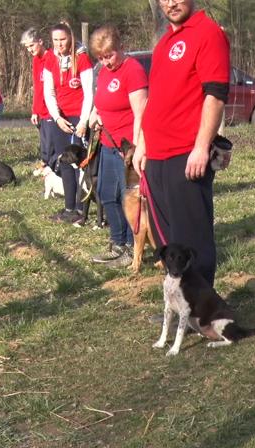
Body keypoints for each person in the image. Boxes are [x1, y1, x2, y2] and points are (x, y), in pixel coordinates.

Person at [132, 0, 230, 285]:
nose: (171, 3)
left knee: (192, 239)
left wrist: (201, 147)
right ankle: (181, 307)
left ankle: (203, 311)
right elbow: (156, 100)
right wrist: (143, 144)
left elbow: (215, 94)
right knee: (169, 242)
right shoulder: (164, 43)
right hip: (157, 157)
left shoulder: (208, 33)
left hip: (186, 155)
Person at [88, 25, 148, 267]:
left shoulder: (132, 70)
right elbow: (100, 99)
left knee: (130, 200)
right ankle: (117, 242)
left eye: (109, 55)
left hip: (127, 149)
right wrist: (94, 114)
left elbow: (141, 113)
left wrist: (136, 150)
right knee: (105, 193)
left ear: (120, 47)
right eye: (101, 58)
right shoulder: (103, 72)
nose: (106, 62)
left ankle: (133, 249)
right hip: (107, 143)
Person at [43, 22, 94, 224]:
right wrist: (56, 117)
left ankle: (83, 209)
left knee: (79, 165)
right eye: (55, 40)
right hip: (60, 119)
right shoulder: (50, 58)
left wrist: (83, 121)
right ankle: (69, 208)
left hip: (78, 117)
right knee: (64, 162)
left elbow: (90, 93)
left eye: (62, 39)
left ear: (70, 38)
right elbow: (49, 91)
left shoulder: (81, 58)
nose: (59, 44)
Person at [20, 27, 55, 166]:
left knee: (52, 147)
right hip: (41, 112)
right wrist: (35, 111)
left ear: (40, 41)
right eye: (27, 47)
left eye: (32, 45)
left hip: (51, 111)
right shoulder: (36, 60)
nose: (30, 49)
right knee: (45, 148)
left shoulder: (51, 58)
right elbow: (37, 87)